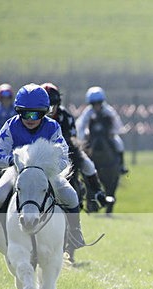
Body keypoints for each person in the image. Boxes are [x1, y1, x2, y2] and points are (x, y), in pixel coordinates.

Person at [0, 84, 85, 255]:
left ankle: (75, 233)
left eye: (35, 114)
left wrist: (48, 169)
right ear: (18, 111)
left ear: (45, 112)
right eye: (24, 113)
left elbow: (64, 157)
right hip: (17, 171)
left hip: (46, 173)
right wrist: (13, 162)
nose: (29, 118)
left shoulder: (53, 127)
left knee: (72, 196)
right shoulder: (10, 126)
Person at [41, 82, 114, 213]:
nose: (50, 110)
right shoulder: (34, 117)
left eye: (53, 105)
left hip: (65, 151)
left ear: (58, 103)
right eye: (47, 106)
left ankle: (98, 193)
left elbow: (72, 138)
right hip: (39, 155)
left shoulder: (66, 116)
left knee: (88, 164)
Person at [75, 86, 129, 174]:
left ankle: (121, 166)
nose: (96, 105)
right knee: (81, 148)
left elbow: (117, 124)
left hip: (107, 135)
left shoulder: (108, 111)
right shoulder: (88, 112)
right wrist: (82, 137)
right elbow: (80, 125)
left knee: (119, 144)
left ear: (102, 102)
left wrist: (113, 133)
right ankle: (79, 167)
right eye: (94, 103)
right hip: (92, 136)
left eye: (99, 103)